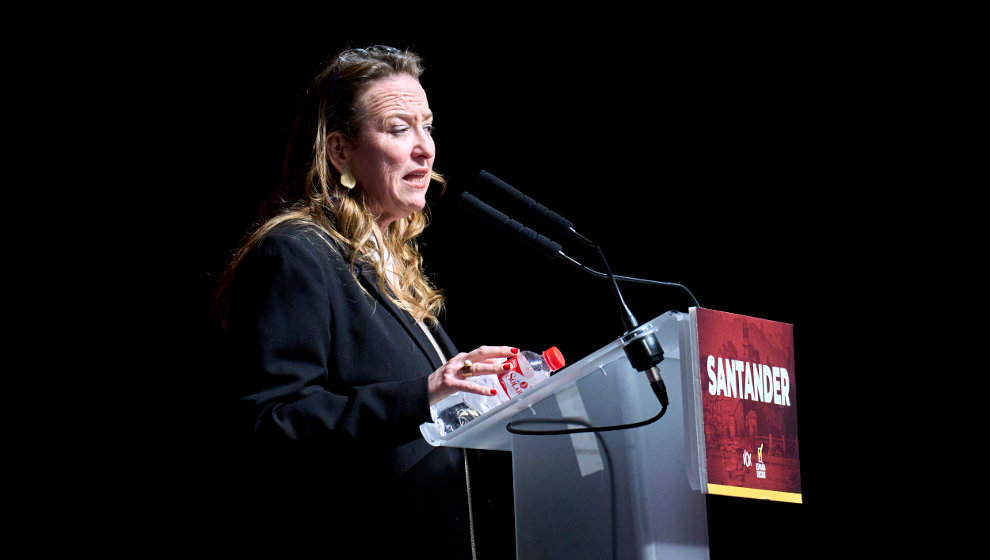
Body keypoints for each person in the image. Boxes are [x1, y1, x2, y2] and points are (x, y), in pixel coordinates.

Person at [213, 45, 516, 558]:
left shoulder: (388, 262)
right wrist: (423, 392)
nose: (425, 149)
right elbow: (274, 422)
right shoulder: (296, 253)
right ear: (339, 151)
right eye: (399, 129)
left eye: (428, 126)